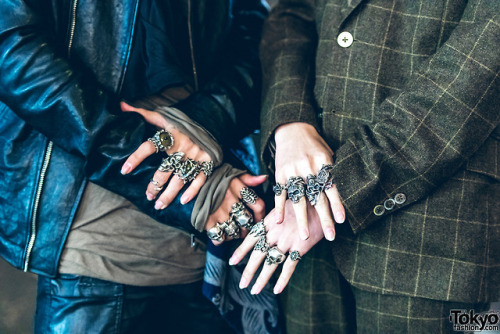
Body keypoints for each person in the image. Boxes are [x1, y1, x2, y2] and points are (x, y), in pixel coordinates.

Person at [230, 0, 500, 333]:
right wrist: (289, 121)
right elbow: (292, 12)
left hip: (431, 239)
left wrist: (332, 193)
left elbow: (470, 80)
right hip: (302, 232)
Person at [0, 0, 269, 333]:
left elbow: (254, 28)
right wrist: (156, 162)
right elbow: (13, 46)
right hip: (99, 249)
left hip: (212, 246)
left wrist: (208, 117)